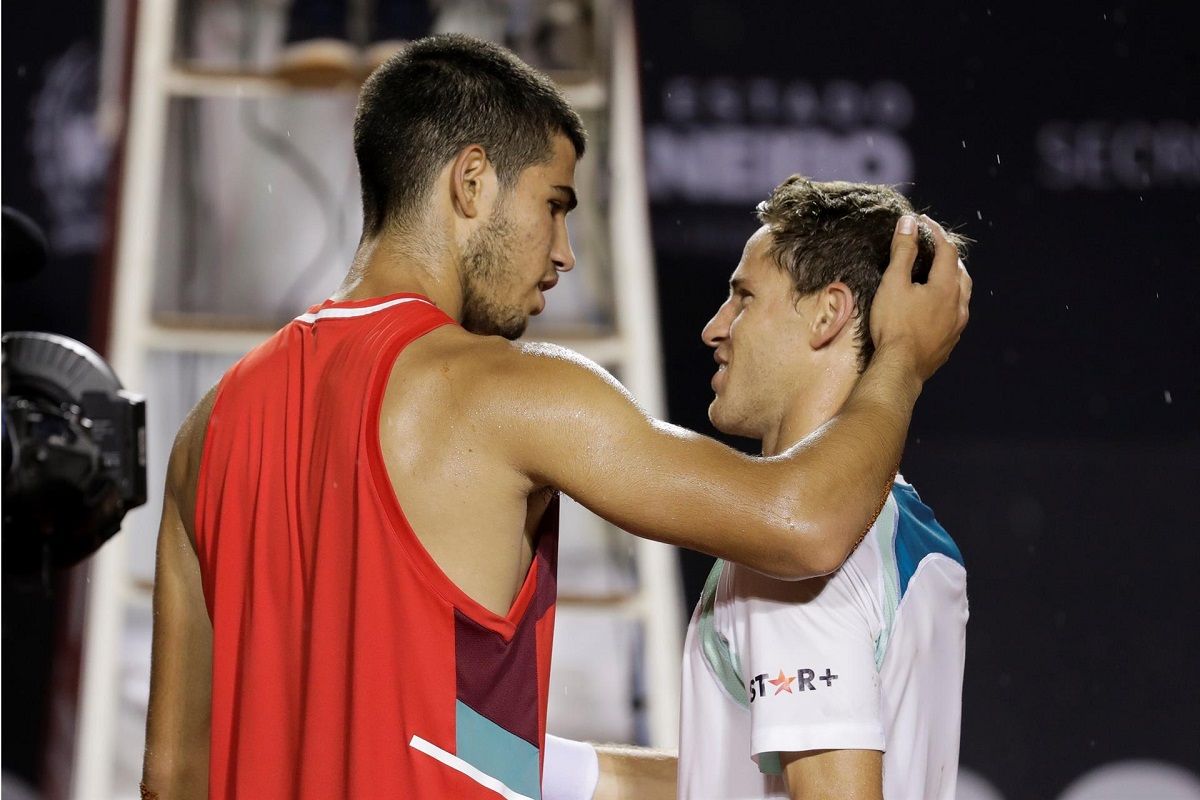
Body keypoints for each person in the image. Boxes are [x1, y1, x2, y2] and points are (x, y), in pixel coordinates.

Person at [141, 35, 970, 800]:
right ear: (471, 183)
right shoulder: (510, 393)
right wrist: (899, 359)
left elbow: (174, 776)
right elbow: (802, 527)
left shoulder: (204, 433)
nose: (565, 251)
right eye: (556, 204)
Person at [553, 177, 970, 800]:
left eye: (743, 298)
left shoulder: (789, 560)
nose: (713, 329)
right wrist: (521, 763)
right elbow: (731, 784)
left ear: (829, 313)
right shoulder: (912, 530)